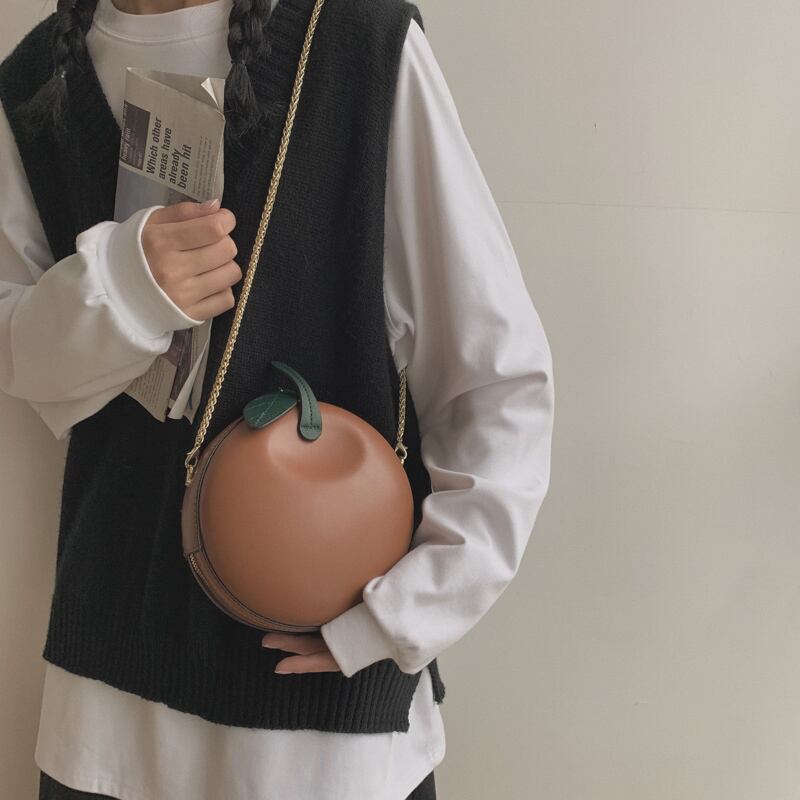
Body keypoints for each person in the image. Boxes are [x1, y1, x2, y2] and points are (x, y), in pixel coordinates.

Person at [0, 0, 555, 798]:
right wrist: (123, 287)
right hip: (104, 716)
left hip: (315, 741)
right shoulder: (35, 80)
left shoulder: (358, 44)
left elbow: (496, 375)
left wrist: (404, 612)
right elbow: (19, 358)